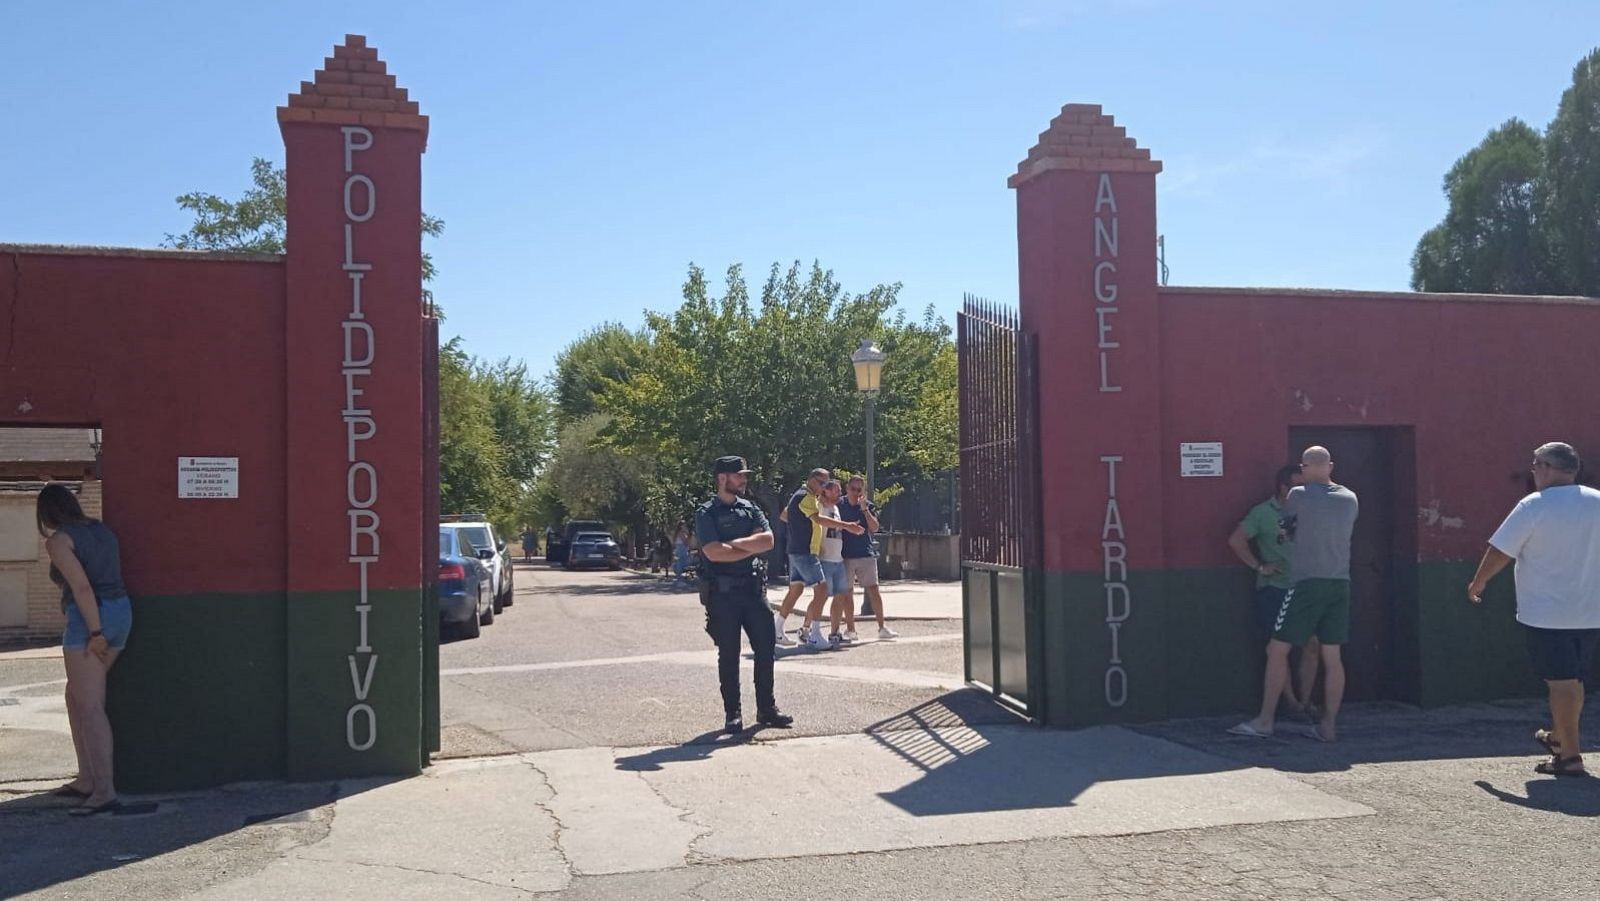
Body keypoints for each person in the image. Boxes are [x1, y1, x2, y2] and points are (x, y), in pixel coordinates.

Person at [1468, 441, 1600, 777]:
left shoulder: (1533, 505)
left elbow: (1501, 549)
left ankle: (1569, 756)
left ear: (1546, 467)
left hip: (1546, 614)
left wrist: (1479, 581)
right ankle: (1559, 738)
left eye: (1535, 465)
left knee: (1562, 683)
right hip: (1590, 611)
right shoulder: (1597, 502)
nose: (1534, 472)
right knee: (1573, 681)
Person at [1231, 446, 1358, 742]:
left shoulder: (1298, 495)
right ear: (1330, 466)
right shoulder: (1350, 498)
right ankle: (1328, 726)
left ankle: (1265, 721)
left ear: (1304, 468)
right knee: (1332, 654)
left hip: (1306, 582)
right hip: (1340, 582)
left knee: (1276, 650)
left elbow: (1288, 532)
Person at [37, 484, 132, 815]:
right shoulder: (102, 531)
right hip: (122, 612)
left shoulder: (59, 541)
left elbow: (80, 587)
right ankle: (87, 779)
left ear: (45, 513)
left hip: (92, 620)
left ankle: (103, 790)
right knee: (75, 696)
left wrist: (95, 633)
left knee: (91, 706)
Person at [696, 456, 794, 734]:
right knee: (729, 655)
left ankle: (767, 709)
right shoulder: (707, 512)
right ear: (722, 478)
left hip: (753, 591)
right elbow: (712, 551)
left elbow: (768, 541)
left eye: (744, 475)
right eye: (739, 475)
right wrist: (748, 546)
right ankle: (733, 714)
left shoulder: (750, 508)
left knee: (765, 650)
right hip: (723, 594)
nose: (744, 480)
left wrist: (731, 545)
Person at [1226, 464, 1316, 719]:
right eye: (1300, 487)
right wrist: (1260, 566)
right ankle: (1290, 703)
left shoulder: (1311, 512)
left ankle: (1306, 701)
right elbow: (1236, 540)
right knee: (1280, 648)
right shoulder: (1263, 513)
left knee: (1313, 644)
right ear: (1283, 487)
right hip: (1276, 589)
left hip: (1308, 587)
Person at [772, 468, 863, 650]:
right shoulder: (805, 496)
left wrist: (797, 527)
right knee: (821, 590)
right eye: (821, 483)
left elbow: (786, 516)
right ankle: (814, 635)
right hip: (805, 552)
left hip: (798, 551)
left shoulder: (802, 496)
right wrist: (847, 526)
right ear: (811, 479)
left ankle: (777, 630)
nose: (823, 487)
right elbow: (819, 520)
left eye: (826, 484)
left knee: (795, 591)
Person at [840, 475, 896, 639]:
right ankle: (851, 630)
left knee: (873, 590)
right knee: (847, 593)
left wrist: (864, 509)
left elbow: (875, 527)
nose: (856, 493)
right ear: (847, 488)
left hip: (865, 553)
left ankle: (882, 627)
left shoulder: (867, 506)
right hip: (845, 555)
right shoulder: (839, 505)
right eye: (853, 489)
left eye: (859, 490)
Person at [815, 480, 858, 643]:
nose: (839, 493)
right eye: (835, 490)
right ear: (826, 491)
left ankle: (834, 632)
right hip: (824, 558)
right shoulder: (819, 506)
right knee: (821, 596)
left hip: (838, 559)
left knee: (841, 595)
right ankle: (809, 629)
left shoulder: (836, 508)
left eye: (839, 490)